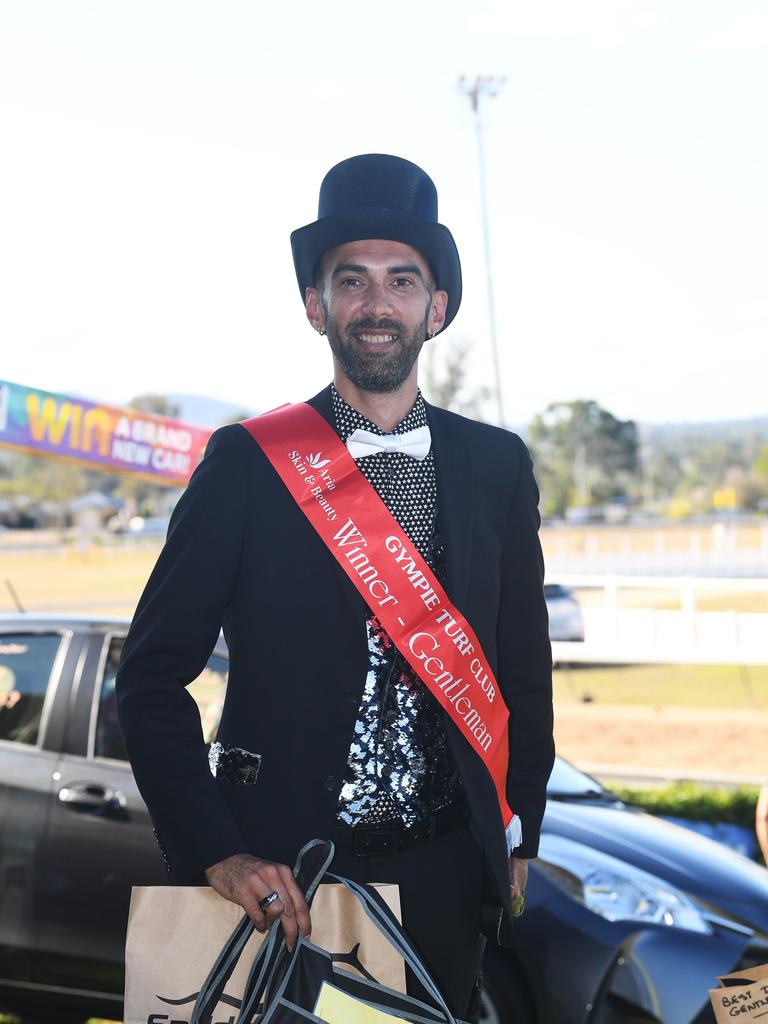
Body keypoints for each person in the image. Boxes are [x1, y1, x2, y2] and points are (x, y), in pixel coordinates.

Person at [116, 153, 554, 1020]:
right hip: (282, 875)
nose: (376, 303)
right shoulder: (247, 463)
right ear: (317, 307)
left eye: (402, 280)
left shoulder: (496, 466)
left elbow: (520, 663)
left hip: (440, 873)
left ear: (437, 308)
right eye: (350, 280)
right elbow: (151, 676)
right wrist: (218, 851)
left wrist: (520, 828)